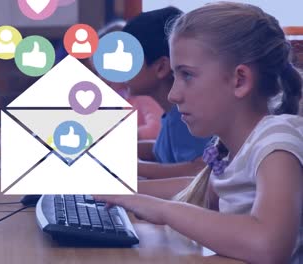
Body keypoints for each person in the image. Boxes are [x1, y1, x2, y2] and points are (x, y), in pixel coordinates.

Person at [95, 2, 303, 264]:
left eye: (187, 75)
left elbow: (268, 245)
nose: (173, 93)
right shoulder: (229, 148)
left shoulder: (277, 143)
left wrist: (163, 210)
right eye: (174, 75)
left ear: (240, 80)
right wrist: (128, 194)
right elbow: (198, 190)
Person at [123, 7, 211, 179]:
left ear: (162, 67)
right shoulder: (172, 114)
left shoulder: (185, 115)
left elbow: (200, 170)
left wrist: (133, 167)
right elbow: (162, 151)